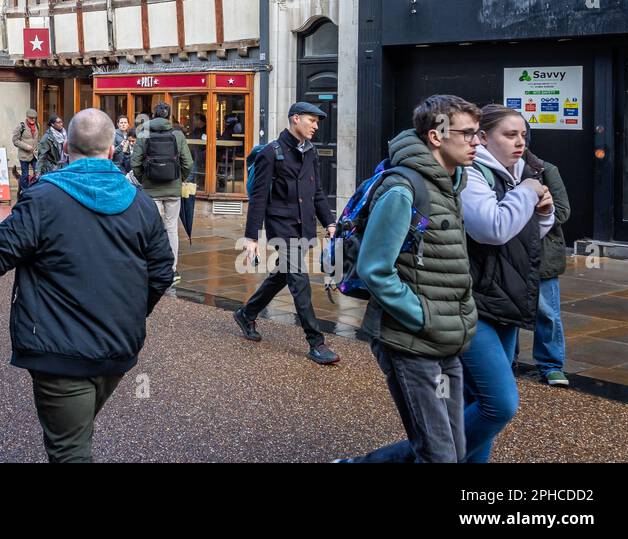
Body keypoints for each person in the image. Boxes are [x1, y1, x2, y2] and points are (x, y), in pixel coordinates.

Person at [0, 108, 174, 463]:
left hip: (59, 348)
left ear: (67, 148)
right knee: (75, 435)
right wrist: (133, 312)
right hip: (117, 346)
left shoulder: (45, 199)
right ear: (109, 149)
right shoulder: (141, 204)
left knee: (69, 450)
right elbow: (162, 271)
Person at [343, 95, 482, 463]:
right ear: (436, 137)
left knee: (453, 448)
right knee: (439, 453)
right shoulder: (404, 189)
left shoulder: (451, 183)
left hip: (447, 345)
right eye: (467, 134)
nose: (476, 142)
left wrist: (460, 313)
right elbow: (375, 268)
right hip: (412, 344)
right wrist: (423, 316)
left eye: (478, 133)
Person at [455, 103, 553, 462]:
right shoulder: (472, 174)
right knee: (499, 405)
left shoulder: (515, 174)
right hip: (474, 302)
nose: (520, 143)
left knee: (477, 402)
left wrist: (543, 212)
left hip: (506, 298)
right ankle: (407, 456)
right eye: (510, 135)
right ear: (482, 138)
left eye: (523, 135)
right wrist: (528, 193)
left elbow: (525, 237)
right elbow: (492, 230)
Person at [233, 101, 340, 366]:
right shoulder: (271, 153)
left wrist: (329, 222)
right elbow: (258, 198)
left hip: (304, 224)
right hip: (281, 227)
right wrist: (251, 237)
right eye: (311, 120)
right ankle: (316, 342)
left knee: (282, 274)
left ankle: (247, 314)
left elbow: (317, 191)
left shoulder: (311, 151)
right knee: (299, 281)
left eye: (317, 122)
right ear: (295, 119)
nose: (316, 126)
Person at [130, 102, 194, 290]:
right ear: (169, 117)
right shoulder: (178, 134)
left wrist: (143, 179)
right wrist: (179, 177)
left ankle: (153, 267)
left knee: (153, 229)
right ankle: (172, 269)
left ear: (153, 115)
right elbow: (188, 162)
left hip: (151, 190)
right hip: (173, 190)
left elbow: (135, 162)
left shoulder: (143, 133)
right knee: (172, 228)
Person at [527, 141, 571, 387]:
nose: (517, 141)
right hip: (507, 255)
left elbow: (563, 212)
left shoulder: (545, 169)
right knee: (504, 310)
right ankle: (506, 360)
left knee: (547, 312)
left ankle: (551, 365)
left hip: (542, 254)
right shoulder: (489, 170)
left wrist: (523, 209)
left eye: (521, 135)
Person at [11, 109, 40, 189]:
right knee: (25, 175)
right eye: (31, 118)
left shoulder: (37, 125)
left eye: (34, 118)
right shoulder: (21, 126)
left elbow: (37, 139)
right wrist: (26, 146)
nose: (33, 120)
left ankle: (34, 189)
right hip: (24, 155)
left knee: (38, 173)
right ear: (27, 117)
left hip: (34, 155)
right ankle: (24, 191)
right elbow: (15, 140)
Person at [34, 114, 67, 178]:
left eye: (61, 122)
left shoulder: (64, 134)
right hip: (52, 168)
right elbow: (42, 156)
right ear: (52, 124)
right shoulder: (47, 138)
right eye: (58, 122)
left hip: (63, 166)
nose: (61, 124)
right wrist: (37, 172)